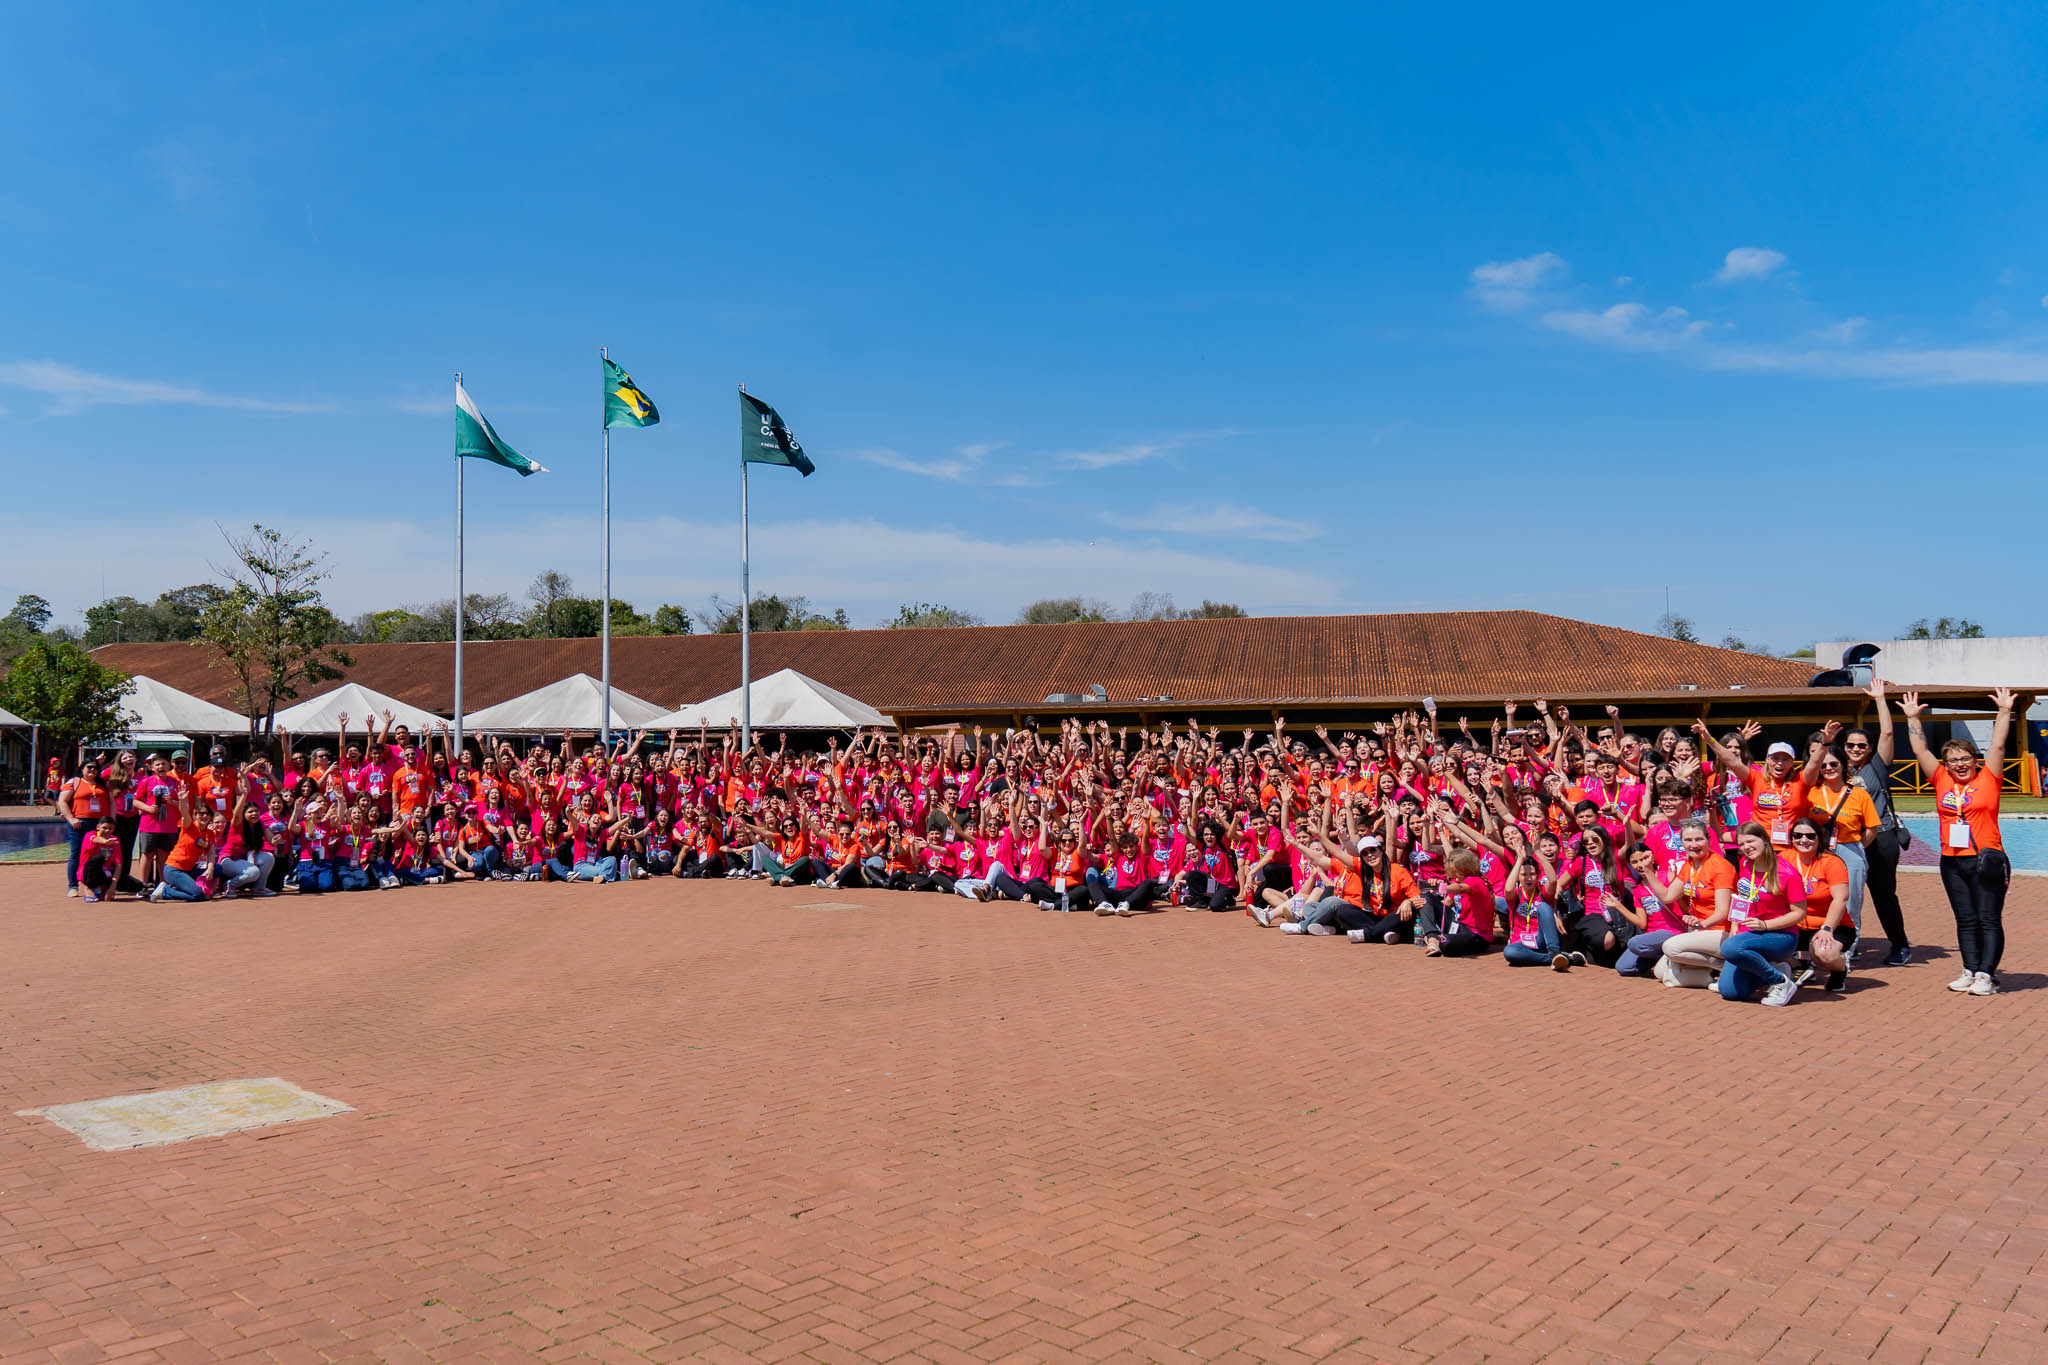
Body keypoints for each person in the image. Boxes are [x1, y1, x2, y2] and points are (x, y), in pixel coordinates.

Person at [1901, 686, 2026, 996]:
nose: (1959, 763)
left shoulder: (1989, 777)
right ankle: (1970, 969)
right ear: (1945, 763)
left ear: (1975, 758)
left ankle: (1987, 975)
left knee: (1988, 918)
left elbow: (1998, 745)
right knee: (1965, 919)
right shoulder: (1941, 779)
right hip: (1952, 860)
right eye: (1953, 759)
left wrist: (2004, 710)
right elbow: (1920, 751)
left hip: (1987, 858)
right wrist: (1913, 718)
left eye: (1965, 758)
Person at [1849, 679, 1913, 966]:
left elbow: (1888, 731)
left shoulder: (1877, 766)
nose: (1855, 748)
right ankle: (1847, 943)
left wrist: (1879, 698)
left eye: (1861, 745)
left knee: (1884, 893)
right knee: (1845, 894)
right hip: (1851, 839)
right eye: (1850, 744)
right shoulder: (1837, 768)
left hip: (1882, 837)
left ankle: (1899, 944)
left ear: (1870, 747)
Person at [1716, 821, 1809, 1005]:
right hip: (1749, 933)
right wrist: (1735, 922)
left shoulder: (1787, 873)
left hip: (1780, 936)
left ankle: (1780, 982)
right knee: (1730, 991)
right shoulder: (1745, 863)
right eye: (1741, 844)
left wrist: (1765, 925)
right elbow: (1743, 895)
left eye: (1751, 841)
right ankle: (1777, 969)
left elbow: (1799, 913)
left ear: (1764, 840)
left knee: (1730, 948)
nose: (1746, 848)